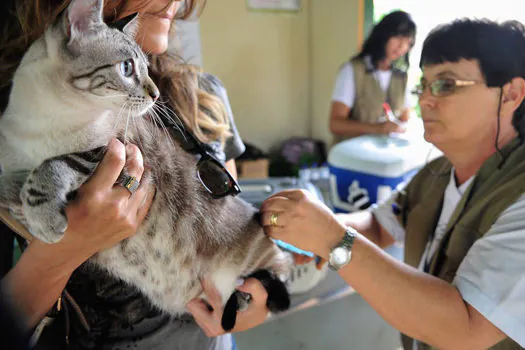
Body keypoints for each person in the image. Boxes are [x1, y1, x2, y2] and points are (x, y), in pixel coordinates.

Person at [0, 0, 269, 349]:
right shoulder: (16, 114)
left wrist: (258, 291)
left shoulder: (204, 96)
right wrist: (61, 253)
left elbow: (231, 225)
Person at [261, 18, 525, 349]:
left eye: (445, 85)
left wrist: (332, 239)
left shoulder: (518, 195)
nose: (425, 100)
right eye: (423, 86)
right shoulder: (437, 174)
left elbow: (466, 327)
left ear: (511, 94)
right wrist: (310, 229)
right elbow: (379, 223)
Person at [330, 10, 416, 142]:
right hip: (352, 154)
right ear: (383, 35)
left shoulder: (401, 77)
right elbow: (335, 124)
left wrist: (397, 127)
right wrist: (377, 128)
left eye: (408, 42)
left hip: (385, 154)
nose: (402, 46)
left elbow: (405, 118)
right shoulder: (353, 70)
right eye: (398, 37)